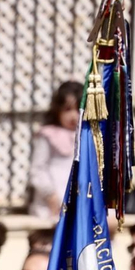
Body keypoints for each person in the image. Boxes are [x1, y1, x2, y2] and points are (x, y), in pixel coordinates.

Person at [30, 81, 83, 221]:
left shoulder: (89, 135)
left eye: (78, 110)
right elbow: (38, 170)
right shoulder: (48, 135)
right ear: (57, 110)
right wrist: (51, 196)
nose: (73, 115)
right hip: (53, 203)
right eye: (67, 109)